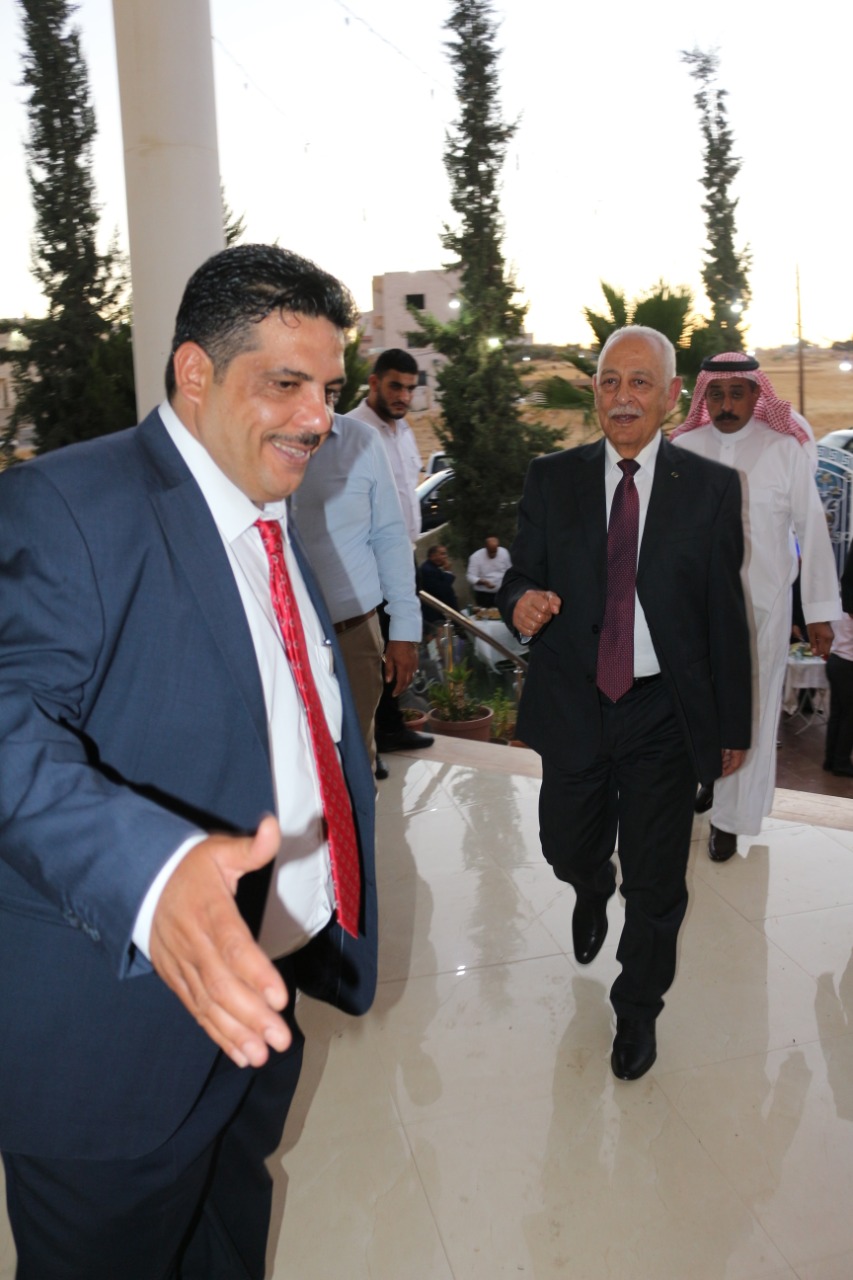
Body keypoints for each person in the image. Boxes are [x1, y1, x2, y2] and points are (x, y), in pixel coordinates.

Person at [0, 244, 378, 1279]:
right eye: (286, 384)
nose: (317, 418)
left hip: (256, 1000)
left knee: (224, 1239)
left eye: (329, 389)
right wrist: (153, 876)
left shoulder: (264, 505)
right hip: (111, 1046)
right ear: (196, 372)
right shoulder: (67, 504)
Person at [498, 326, 751, 1082]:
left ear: (671, 396)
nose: (622, 397)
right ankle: (588, 885)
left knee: (657, 879)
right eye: (609, 381)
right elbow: (518, 575)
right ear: (595, 394)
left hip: (661, 712)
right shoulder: (553, 478)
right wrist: (520, 602)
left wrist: (731, 725)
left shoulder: (708, 489)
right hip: (574, 701)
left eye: (640, 382)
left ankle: (637, 1007)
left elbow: (723, 617)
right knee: (565, 845)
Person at [673, 352, 840, 860]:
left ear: (755, 395)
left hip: (760, 609)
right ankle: (708, 778)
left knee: (753, 711)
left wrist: (819, 611)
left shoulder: (784, 450)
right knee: (696, 703)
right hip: (695, 609)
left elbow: (812, 531)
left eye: (736, 393)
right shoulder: (683, 449)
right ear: (704, 396)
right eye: (716, 394)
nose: (726, 404)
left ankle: (731, 820)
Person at [290, 409, 423, 780]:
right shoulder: (250, 437)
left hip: (354, 635)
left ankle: (359, 820)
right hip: (281, 639)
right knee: (293, 768)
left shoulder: (362, 441)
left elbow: (390, 537)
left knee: (355, 765)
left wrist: (404, 632)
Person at [348, 349, 433, 755]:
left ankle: (389, 728)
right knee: (374, 648)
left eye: (410, 389)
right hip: (368, 558)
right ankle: (374, 736)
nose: (403, 396)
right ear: (374, 383)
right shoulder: (352, 432)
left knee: (398, 643)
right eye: (395, 386)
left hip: (402, 554)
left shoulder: (404, 432)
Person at [419, 543, 460, 634]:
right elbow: (442, 589)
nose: (445, 557)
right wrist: (448, 572)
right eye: (442, 554)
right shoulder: (428, 570)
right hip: (437, 614)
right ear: (433, 556)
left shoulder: (434, 568)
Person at [467, 535, 512, 606]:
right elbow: (470, 576)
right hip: (484, 595)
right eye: (490, 552)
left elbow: (509, 570)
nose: (493, 555)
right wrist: (483, 582)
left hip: (502, 593)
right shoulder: (475, 557)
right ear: (486, 547)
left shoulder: (504, 552)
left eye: (495, 552)